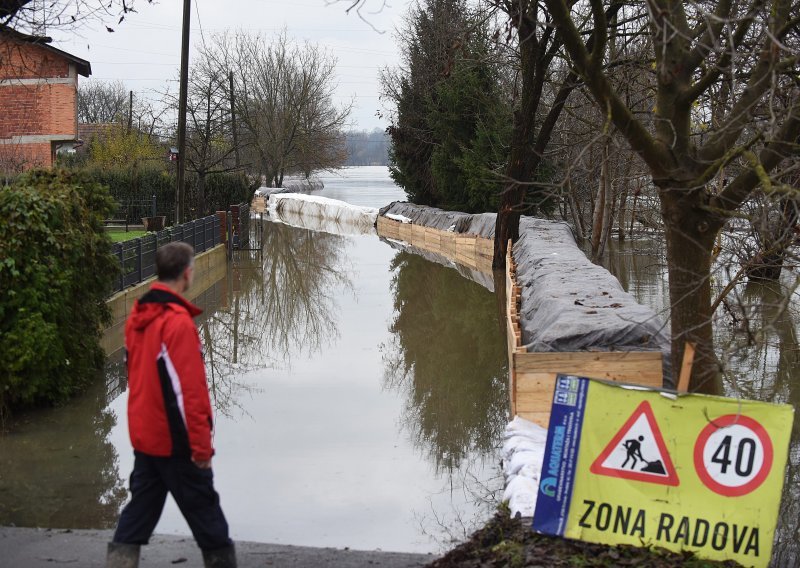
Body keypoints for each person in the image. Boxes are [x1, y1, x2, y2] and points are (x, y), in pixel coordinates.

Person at [107, 242, 236, 568]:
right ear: (187, 273)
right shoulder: (177, 324)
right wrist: (201, 448)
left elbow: (134, 377)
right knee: (207, 516)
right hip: (176, 442)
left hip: (146, 437)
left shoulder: (138, 318)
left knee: (139, 513)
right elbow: (188, 393)